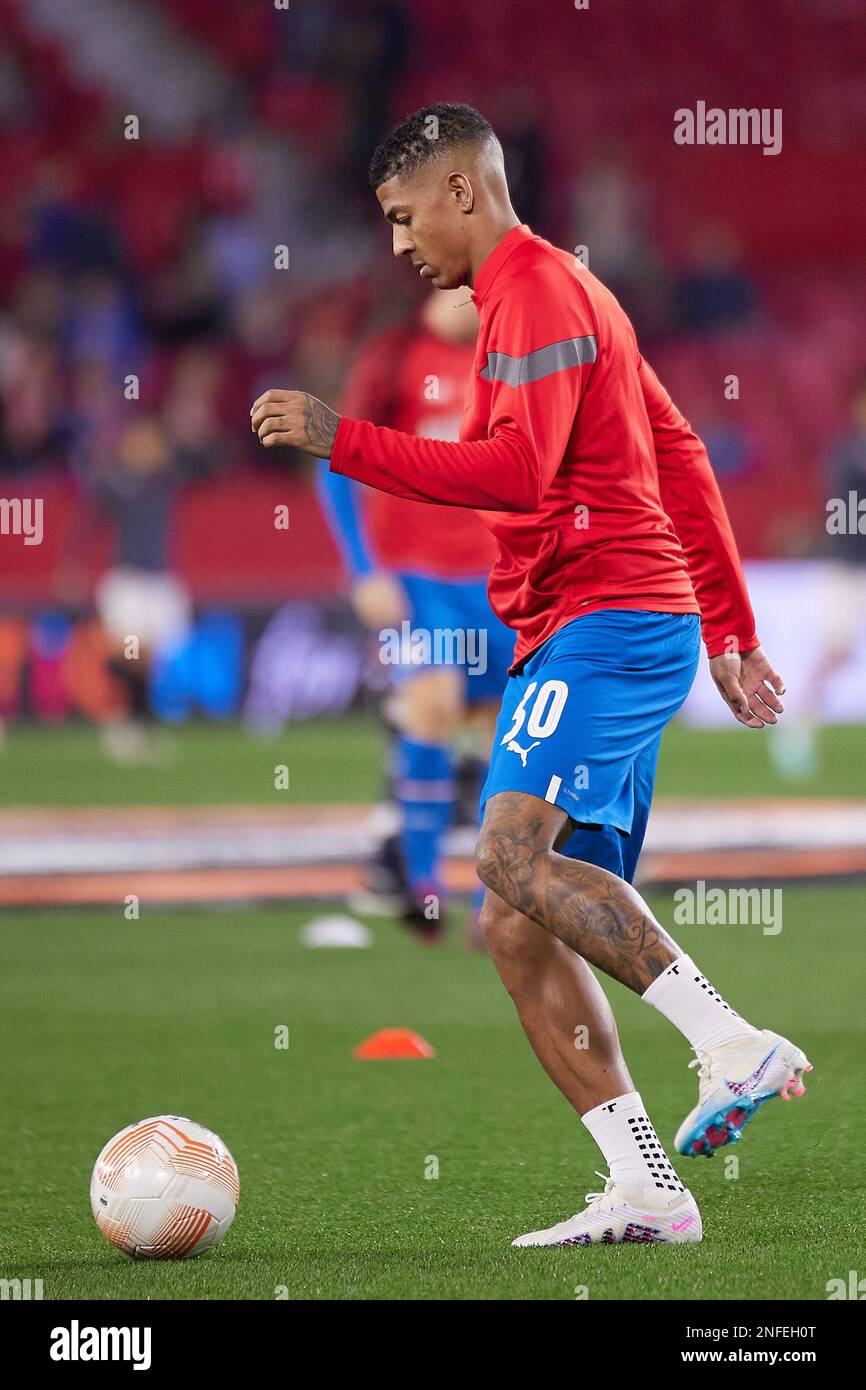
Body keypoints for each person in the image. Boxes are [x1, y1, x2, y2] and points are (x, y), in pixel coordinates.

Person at [250, 104, 812, 1249]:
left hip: (604, 617)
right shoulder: (565, 294)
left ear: (463, 191)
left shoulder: (536, 294)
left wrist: (339, 438)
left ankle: (729, 1041)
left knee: (504, 853)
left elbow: (515, 471)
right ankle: (647, 1186)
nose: (399, 246)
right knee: (514, 921)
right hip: (599, 622)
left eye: (406, 218)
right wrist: (730, 624)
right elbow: (683, 453)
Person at [316, 288, 513, 942]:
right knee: (432, 700)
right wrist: (362, 569)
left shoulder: (512, 358)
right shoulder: (394, 354)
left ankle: (497, 901)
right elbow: (337, 456)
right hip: (411, 577)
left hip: (496, 577)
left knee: (501, 733)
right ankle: (424, 885)